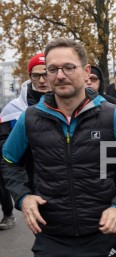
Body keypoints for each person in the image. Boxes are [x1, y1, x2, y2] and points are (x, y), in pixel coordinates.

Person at [1, 37, 116, 257]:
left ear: (85, 70)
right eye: (52, 69)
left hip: (100, 235)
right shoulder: (30, 119)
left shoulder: (111, 116)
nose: (59, 75)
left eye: (68, 67)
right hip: (52, 235)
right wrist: (23, 196)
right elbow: (8, 161)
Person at [0, 53, 51, 230]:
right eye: (36, 75)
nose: (42, 80)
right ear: (30, 77)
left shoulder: (68, 102)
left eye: (46, 73)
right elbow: (5, 152)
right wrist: (22, 194)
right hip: (33, 182)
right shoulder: (13, 109)